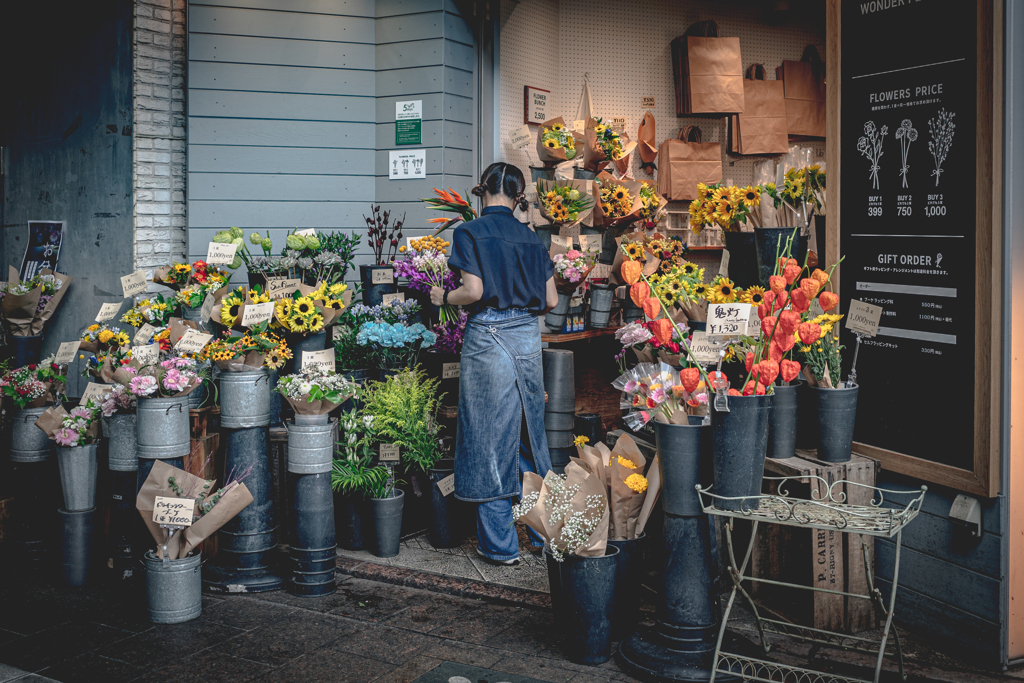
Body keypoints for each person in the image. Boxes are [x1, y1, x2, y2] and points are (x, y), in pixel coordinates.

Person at [430, 162, 558, 566]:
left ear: (482, 190)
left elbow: (474, 291)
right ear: (519, 197)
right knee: (529, 434)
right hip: (527, 338)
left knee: (488, 438)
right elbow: (552, 301)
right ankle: (543, 534)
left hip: (488, 336)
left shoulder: (469, 232)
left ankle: (501, 547)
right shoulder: (532, 238)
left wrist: (443, 298)